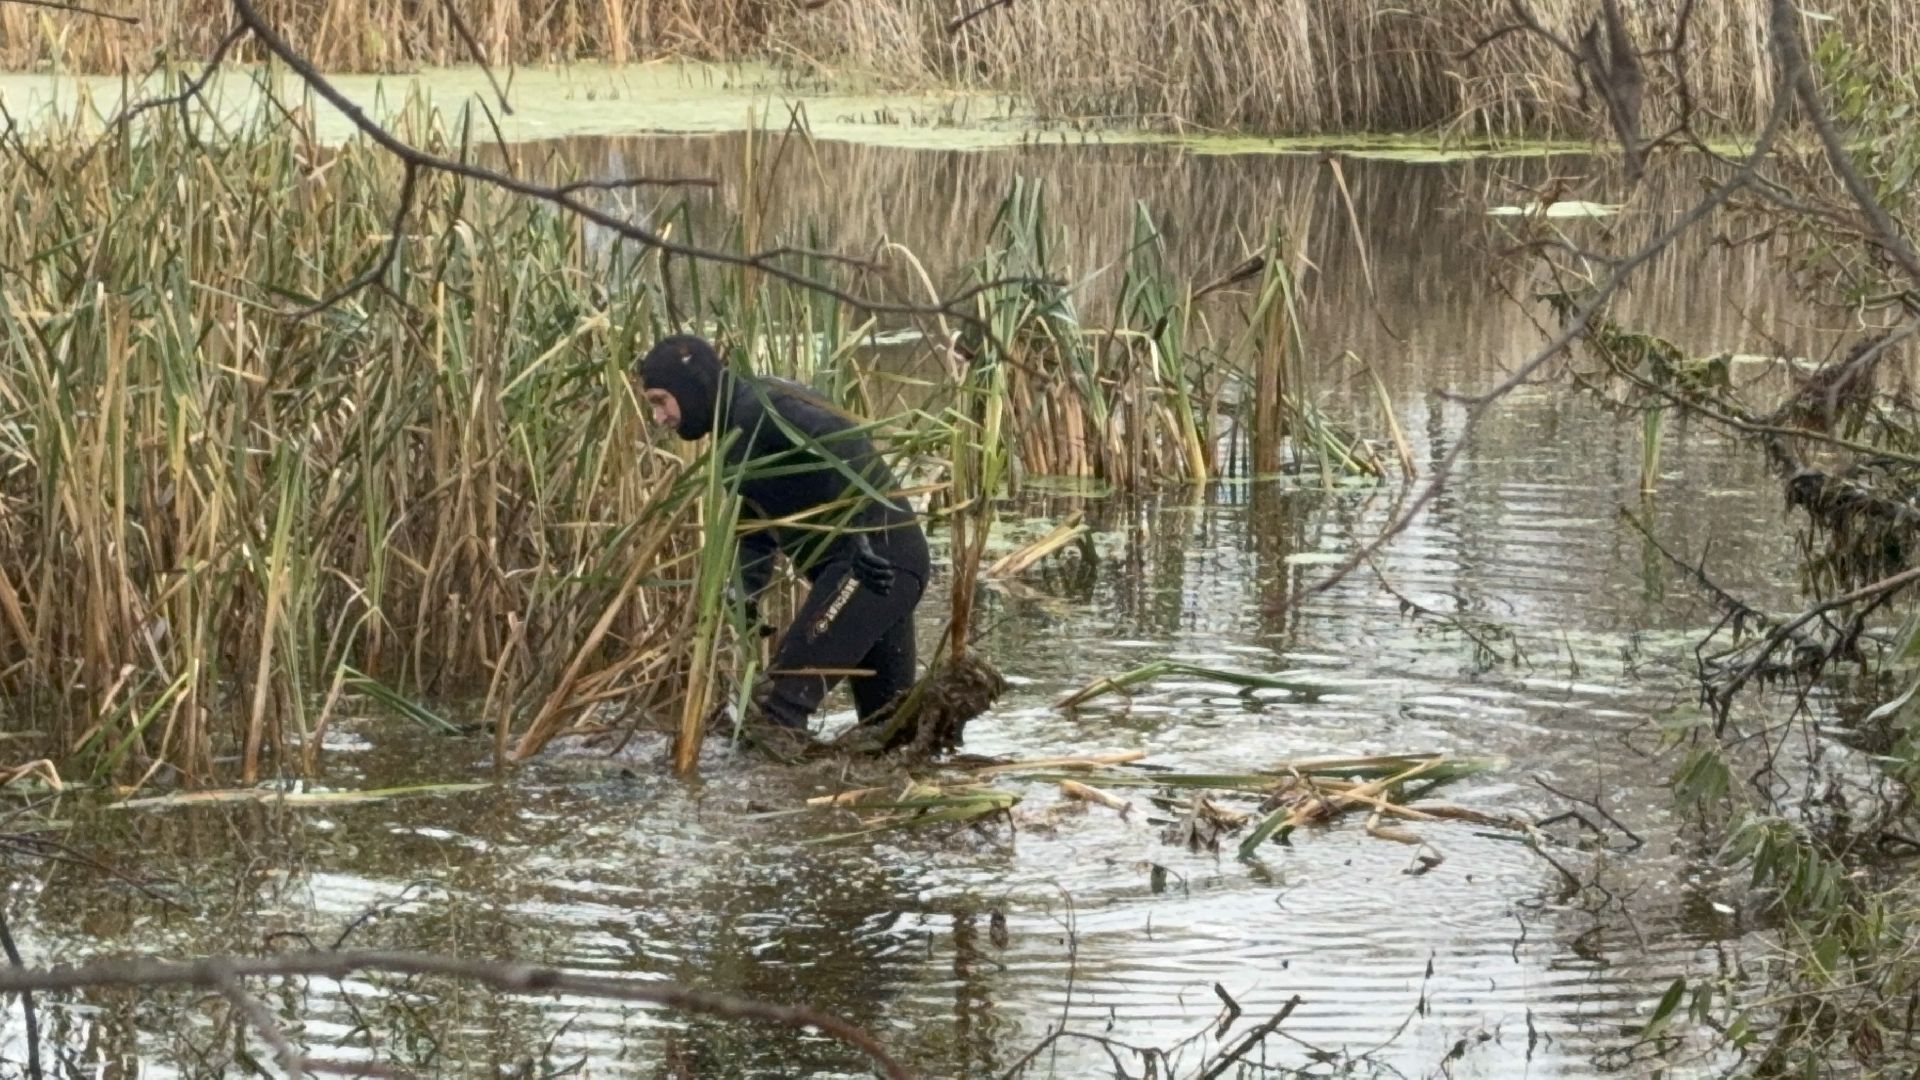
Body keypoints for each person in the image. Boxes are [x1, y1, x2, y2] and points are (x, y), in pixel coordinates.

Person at [637, 334, 930, 755]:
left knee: (779, 709)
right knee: (892, 737)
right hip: (882, 569)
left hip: (875, 565)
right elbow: (758, 521)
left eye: (661, 400)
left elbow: (841, 439)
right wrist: (746, 595)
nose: (660, 417)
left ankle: (769, 814)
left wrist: (860, 536)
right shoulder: (735, 429)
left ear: (690, 386)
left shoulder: (759, 405)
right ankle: (897, 809)